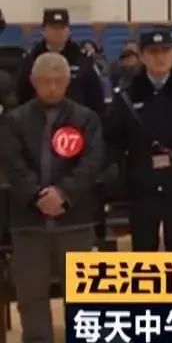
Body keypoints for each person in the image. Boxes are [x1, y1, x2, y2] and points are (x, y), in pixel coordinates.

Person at [0, 53, 104, 343]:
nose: (53, 87)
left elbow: (92, 163)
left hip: (75, 220)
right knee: (31, 294)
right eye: (46, 81)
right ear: (33, 81)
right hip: (28, 223)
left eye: (59, 81)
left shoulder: (86, 118)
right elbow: (13, 165)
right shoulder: (14, 120)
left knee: (81, 292)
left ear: (68, 82)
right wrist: (37, 195)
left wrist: (63, 193)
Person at [107, 29, 172, 251]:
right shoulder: (126, 95)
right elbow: (114, 142)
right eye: (153, 52)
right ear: (142, 56)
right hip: (141, 185)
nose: (160, 57)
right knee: (144, 250)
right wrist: (120, 183)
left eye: (165, 50)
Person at [16, 8, 105, 117]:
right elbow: (21, 94)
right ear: (43, 31)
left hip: (76, 119)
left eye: (62, 28)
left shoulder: (81, 58)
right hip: (38, 118)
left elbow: (95, 97)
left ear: (69, 31)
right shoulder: (32, 58)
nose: (58, 33)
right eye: (53, 28)